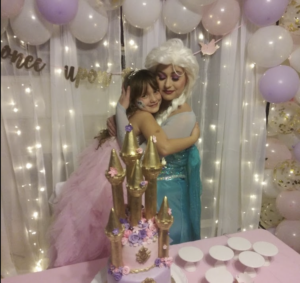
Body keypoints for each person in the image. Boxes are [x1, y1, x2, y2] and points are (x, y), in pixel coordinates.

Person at [47, 69, 200, 268]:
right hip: (122, 173)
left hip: (107, 168)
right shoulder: (145, 117)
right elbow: (161, 147)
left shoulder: (133, 113)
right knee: (124, 225)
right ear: (134, 98)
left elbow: (123, 138)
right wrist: (192, 138)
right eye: (144, 95)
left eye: (155, 91)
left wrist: (120, 108)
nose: (153, 98)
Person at [112, 38, 202, 244]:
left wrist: (192, 138)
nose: (167, 84)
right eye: (161, 77)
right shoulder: (155, 109)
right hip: (150, 187)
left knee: (167, 240)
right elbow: (134, 142)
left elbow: (160, 148)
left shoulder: (184, 113)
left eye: (175, 77)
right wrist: (121, 115)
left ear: (187, 79)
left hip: (167, 190)